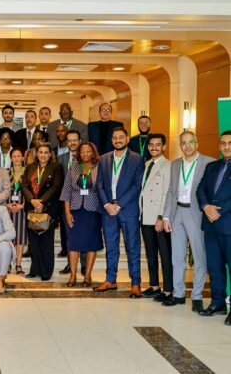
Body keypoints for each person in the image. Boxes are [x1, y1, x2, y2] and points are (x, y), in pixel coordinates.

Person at [161, 131, 214, 311]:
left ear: (197, 143)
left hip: (196, 213)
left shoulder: (209, 163)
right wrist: (166, 216)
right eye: (184, 143)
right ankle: (178, 294)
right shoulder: (175, 164)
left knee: (199, 256)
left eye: (191, 142)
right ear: (180, 146)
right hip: (177, 213)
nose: (188, 146)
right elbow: (171, 191)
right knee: (177, 256)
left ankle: (197, 296)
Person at [95, 127, 145, 298]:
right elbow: (99, 184)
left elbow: (137, 185)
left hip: (128, 210)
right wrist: (107, 204)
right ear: (112, 140)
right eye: (115, 138)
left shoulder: (137, 159)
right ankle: (111, 280)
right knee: (111, 247)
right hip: (108, 210)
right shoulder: (104, 159)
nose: (118, 140)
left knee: (133, 248)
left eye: (121, 137)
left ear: (127, 139)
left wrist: (120, 204)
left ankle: (135, 283)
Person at [197, 131, 231, 323]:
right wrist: (205, 206)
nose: (226, 146)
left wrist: (220, 211)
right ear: (219, 146)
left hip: (228, 224)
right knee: (214, 267)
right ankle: (218, 303)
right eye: (223, 143)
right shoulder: (211, 166)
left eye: (230, 143)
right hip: (210, 226)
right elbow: (200, 189)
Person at [60, 142, 103, 287]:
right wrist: (67, 212)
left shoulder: (99, 168)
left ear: (93, 153)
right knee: (73, 244)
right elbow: (66, 191)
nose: (85, 154)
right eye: (82, 151)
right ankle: (72, 275)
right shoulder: (73, 167)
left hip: (93, 211)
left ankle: (88, 276)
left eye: (88, 151)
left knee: (91, 244)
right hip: (75, 210)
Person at [22, 143, 63, 281]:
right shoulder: (30, 167)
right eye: (41, 152)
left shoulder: (56, 167)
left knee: (46, 242)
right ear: (36, 154)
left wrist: (41, 202)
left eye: (46, 152)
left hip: (47, 209)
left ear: (50, 154)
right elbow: (24, 186)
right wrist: (32, 200)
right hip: (32, 209)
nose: (43, 155)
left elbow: (56, 187)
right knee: (34, 242)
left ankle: (46, 272)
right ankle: (35, 270)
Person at [139, 133, 172, 300]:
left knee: (165, 254)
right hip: (146, 215)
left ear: (164, 147)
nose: (154, 148)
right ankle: (154, 285)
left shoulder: (168, 165)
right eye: (151, 145)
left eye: (158, 145)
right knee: (150, 253)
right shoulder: (146, 164)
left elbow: (167, 193)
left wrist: (161, 217)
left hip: (159, 217)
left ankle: (168, 289)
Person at [57, 129, 83, 271]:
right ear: (66, 143)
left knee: (84, 233)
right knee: (68, 234)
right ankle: (70, 264)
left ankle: (84, 265)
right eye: (70, 140)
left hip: (83, 203)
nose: (72, 143)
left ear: (80, 141)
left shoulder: (85, 157)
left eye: (75, 140)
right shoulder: (61, 159)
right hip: (65, 203)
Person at [7, 148, 27, 276]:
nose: (17, 159)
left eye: (19, 156)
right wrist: (6, 204)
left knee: (20, 237)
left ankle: (18, 264)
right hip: (8, 210)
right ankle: (8, 263)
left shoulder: (28, 172)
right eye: (14, 156)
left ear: (23, 158)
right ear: (11, 158)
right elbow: (2, 190)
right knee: (9, 237)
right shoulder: (6, 173)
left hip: (22, 209)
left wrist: (23, 205)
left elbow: (31, 190)